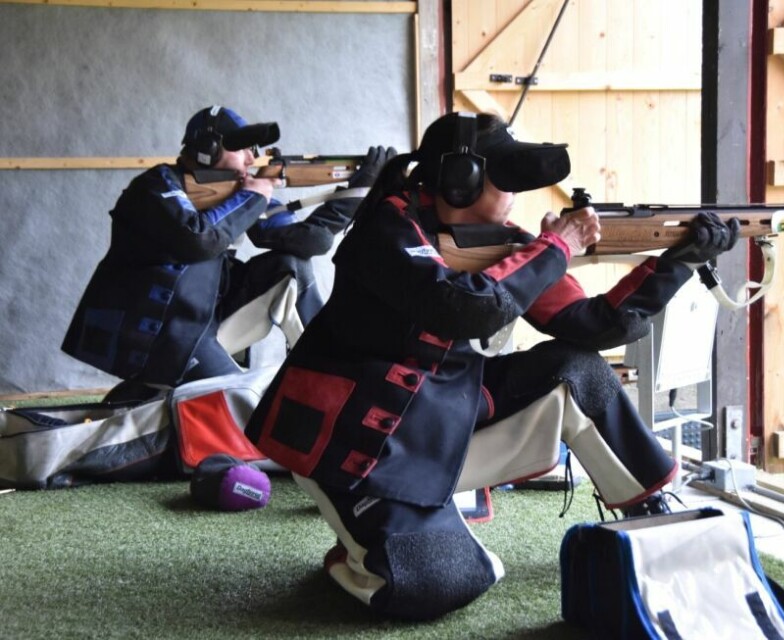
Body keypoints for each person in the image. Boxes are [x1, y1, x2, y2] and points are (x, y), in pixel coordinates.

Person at [244, 111, 740, 620]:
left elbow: (594, 325)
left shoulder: (501, 240)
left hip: (440, 419)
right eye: (505, 181)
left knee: (579, 369)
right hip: (355, 447)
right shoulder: (385, 227)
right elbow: (463, 305)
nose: (514, 198)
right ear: (461, 182)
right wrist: (556, 248)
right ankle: (357, 551)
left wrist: (676, 263)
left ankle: (651, 517)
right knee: (437, 582)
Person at [62, 105, 393, 402]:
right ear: (208, 149)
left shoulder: (239, 191)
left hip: (207, 318)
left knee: (290, 264)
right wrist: (253, 196)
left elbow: (309, 241)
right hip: (163, 335)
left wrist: (361, 189)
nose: (252, 158)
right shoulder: (155, 186)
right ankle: (153, 388)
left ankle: (334, 365)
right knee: (243, 406)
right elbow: (199, 239)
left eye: (254, 150)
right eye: (243, 149)